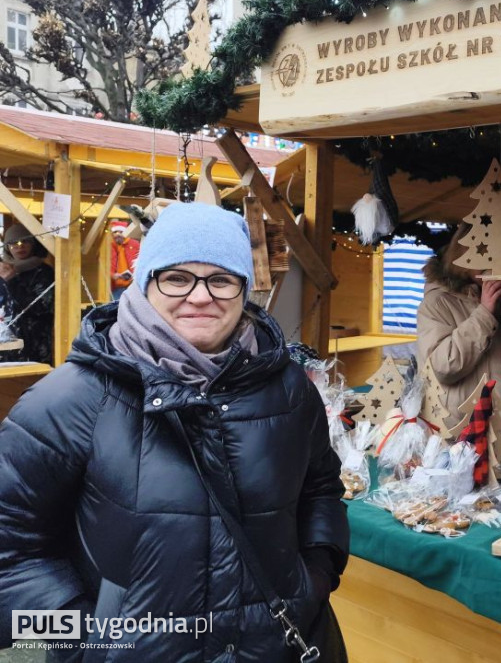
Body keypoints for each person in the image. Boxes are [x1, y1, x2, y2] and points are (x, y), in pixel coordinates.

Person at [0, 203, 349, 661]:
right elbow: (10, 550)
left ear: (245, 289)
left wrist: (315, 577)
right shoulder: (69, 401)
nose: (200, 296)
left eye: (221, 279)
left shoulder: (288, 391)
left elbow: (320, 490)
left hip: (274, 647)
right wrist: (89, 639)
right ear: (145, 283)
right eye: (177, 277)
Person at [417, 223, 501, 476]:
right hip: (463, 441)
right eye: (483, 252)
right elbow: (444, 366)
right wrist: (484, 314)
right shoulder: (437, 302)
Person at [0, 223, 55, 364]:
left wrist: (10, 282)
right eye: (13, 243)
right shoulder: (3, 270)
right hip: (7, 341)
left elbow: (42, 306)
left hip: (36, 341)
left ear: (33, 244)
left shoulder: (44, 272)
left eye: (25, 241)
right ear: (7, 247)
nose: (20, 246)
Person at [109, 220, 140, 301]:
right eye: (115, 232)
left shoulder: (134, 244)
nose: (118, 234)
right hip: (115, 286)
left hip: (132, 284)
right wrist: (112, 275)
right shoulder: (108, 246)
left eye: (121, 232)